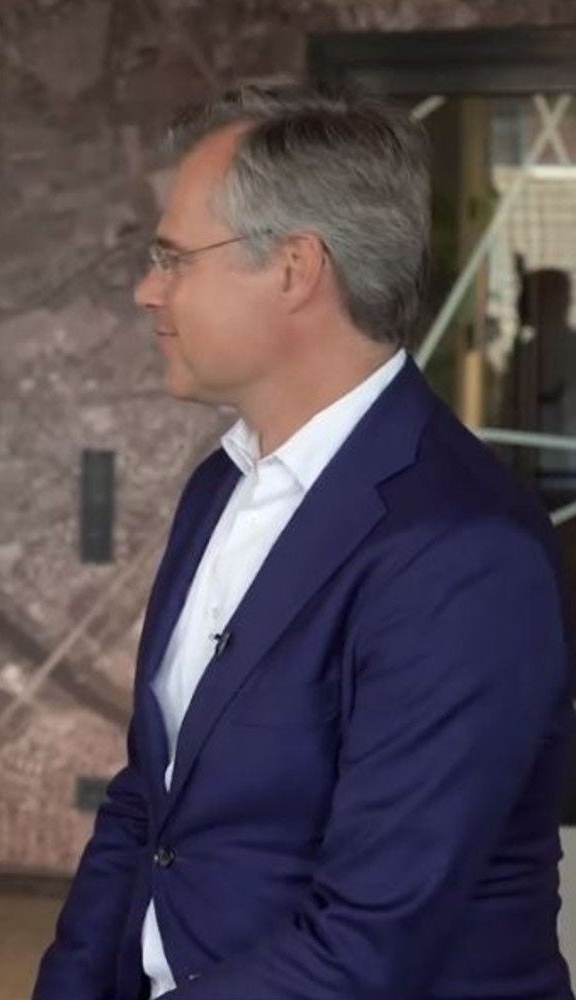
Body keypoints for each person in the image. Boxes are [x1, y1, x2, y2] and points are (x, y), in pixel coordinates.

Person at [33, 85, 574, 999]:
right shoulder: (220, 485)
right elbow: (146, 800)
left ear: (294, 268)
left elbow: (366, 943)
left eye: (173, 258)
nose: (145, 289)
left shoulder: (464, 550)